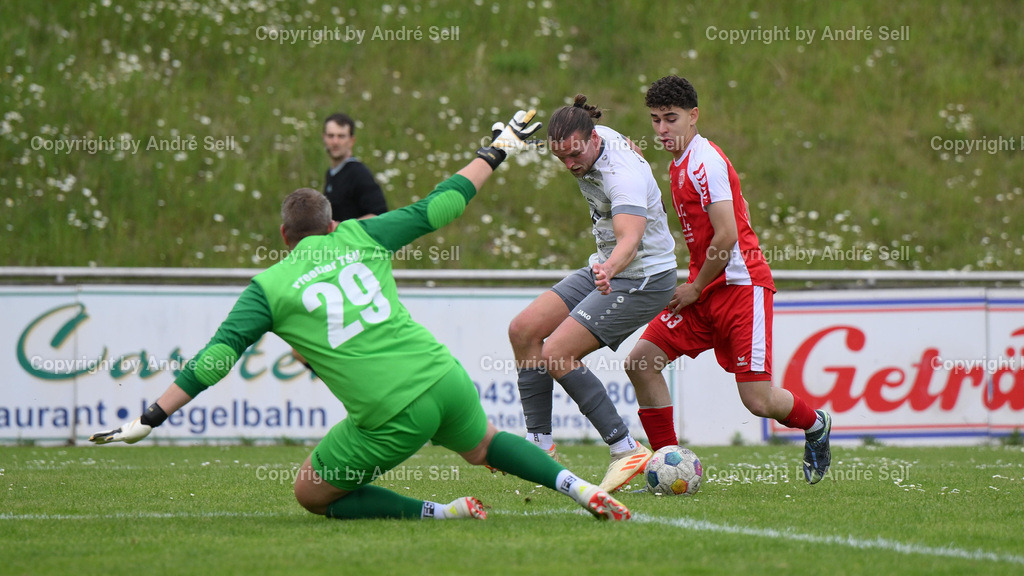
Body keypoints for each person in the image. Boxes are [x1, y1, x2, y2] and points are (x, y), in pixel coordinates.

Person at [90, 109, 631, 521]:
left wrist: (151, 417)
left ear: (284, 236)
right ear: (331, 224)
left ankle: (437, 513)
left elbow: (215, 359)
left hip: (391, 414)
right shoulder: (360, 234)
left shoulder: (268, 287)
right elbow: (440, 206)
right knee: (485, 444)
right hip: (443, 377)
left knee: (311, 492)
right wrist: (497, 149)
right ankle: (578, 487)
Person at [624, 75, 833, 484]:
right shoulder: (680, 163)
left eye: (671, 118)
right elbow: (739, 208)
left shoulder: (705, 162)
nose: (662, 128)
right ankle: (667, 461)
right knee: (642, 363)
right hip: (705, 289)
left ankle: (816, 424)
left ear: (694, 116)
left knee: (758, 401)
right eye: (655, 120)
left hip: (740, 290)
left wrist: (695, 287)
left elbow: (726, 235)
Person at [508, 95, 678, 493]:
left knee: (557, 353)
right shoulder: (595, 136)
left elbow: (630, 240)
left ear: (593, 139)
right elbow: (628, 145)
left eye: (574, 155)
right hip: (607, 268)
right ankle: (539, 444)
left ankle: (625, 448)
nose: (570, 165)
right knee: (523, 330)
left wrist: (609, 269)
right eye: (561, 157)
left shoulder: (622, 176)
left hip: (643, 277)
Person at [322, 112, 388, 221]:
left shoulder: (359, 174)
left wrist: (342, 227)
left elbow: (379, 215)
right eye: (330, 136)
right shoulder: (331, 173)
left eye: (341, 136)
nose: (335, 142)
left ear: (352, 141)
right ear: (324, 138)